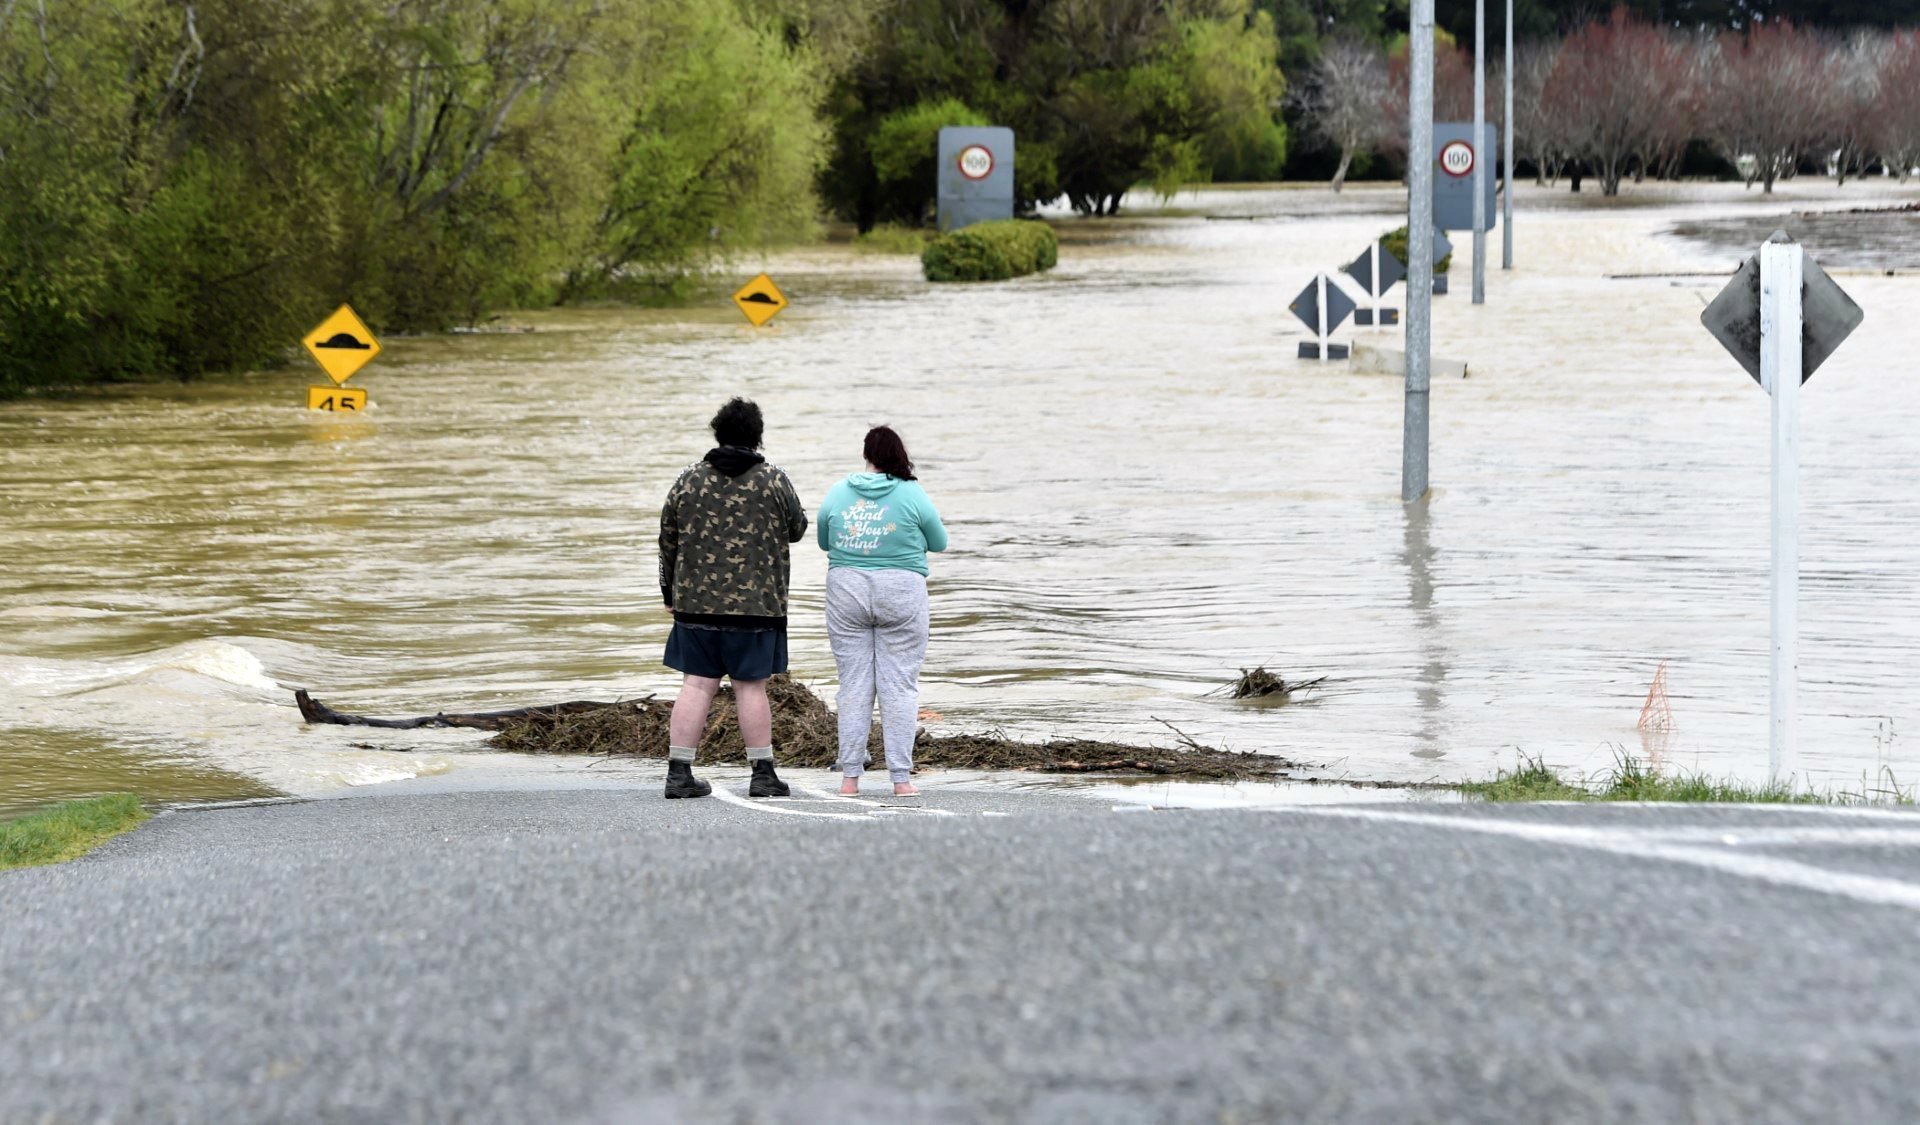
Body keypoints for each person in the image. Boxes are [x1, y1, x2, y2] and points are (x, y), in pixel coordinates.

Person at [657, 398, 808, 799]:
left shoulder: (688, 479)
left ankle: (679, 773)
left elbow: (667, 539)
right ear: (757, 436)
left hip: (696, 605)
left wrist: (669, 592)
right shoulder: (774, 480)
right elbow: (797, 529)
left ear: (717, 433)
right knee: (750, 687)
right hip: (757, 607)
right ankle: (762, 774)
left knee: (697, 685)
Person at [816, 425, 948, 797]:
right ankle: (901, 780)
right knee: (899, 686)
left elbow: (825, 541)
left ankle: (849, 780)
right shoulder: (912, 493)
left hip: (847, 591)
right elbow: (940, 542)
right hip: (901, 592)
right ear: (898, 454)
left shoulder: (839, 490)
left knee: (854, 685)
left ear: (866, 455)